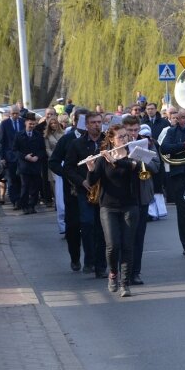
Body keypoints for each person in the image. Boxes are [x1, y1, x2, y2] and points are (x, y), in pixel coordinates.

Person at [85, 125, 140, 297]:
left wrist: (114, 161)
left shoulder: (133, 154)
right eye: (120, 137)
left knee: (127, 245)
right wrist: (91, 167)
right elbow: (92, 181)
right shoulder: (103, 158)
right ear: (111, 140)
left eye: (126, 136)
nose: (124, 139)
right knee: (113, 245)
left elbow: (133, 168)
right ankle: (113, 273)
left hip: (130, 205)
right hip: (108, 207)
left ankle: (125, 283)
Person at [64, 111, 107, 278]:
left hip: (105, 190)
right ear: (87, 125)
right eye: (93, 122)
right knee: (87, 224)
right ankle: (89, 259)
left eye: (99, 122)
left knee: (102, 229)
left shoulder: (107, 141)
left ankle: (100, 266)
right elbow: (68, 168)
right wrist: (82, 182)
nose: (97, 125)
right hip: (86, 191)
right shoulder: (77, 144)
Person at [123, 118, 161, 285]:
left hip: (142, 194)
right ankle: (123, 271)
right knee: (123, 237)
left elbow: (156, 166)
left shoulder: (148, 143)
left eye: (135, 130)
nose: (133, 134)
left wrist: (141, 160)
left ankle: (135, 272)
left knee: (139, 236)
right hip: (123, 195)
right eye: (130, 130)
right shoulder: (119, 143)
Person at [49, 108, 87, 271]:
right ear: (74, 122)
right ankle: (75, 257)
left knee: (91, 225)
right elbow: (54, 162)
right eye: (83, 121)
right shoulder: (67, 139)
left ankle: (92, 260)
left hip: (92, 188)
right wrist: (66, 174)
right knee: (73, 225)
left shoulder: (97, 139)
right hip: (72, 189)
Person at [160, 108, 185, 256]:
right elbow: (164, 148)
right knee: (183, 211)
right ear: (177, 119)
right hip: (180, 174)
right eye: (181, 117)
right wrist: (184, 145)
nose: (184, 120)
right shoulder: (171, 132)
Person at [14, 113, 46, 214]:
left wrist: (37, 157)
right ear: (26, 123)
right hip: (24, 165)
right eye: (30, 124)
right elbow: (15, 150)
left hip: (35, 165)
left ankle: (32, 205)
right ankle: (24, 206)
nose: (32, 126)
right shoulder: (19, 135)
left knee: (35, 187)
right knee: (25, 187)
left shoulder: (38, 135)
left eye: (33, 124)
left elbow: (42, 150)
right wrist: (24, 156)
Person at [44, 111, 66, 233]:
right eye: (51, 123)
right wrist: (55, 157)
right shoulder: (47, 136)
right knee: (55, 187)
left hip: (64, 161)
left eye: (54, 123)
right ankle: (59, 208)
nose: (53, 125)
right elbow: (47, 148)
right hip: (54, 163)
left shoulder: (63, 134)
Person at [0, 105, 24, 209]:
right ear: (10, 113)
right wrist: (2, 158)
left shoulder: (23, 122)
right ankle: (15, 201)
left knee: (21, 179)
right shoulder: (4, 124)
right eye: (13, 113)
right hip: (9, 157)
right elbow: (1, 141)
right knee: (12, 180)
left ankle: (22, 200)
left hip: (22, 156)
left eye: (17, 113)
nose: (15, 115)